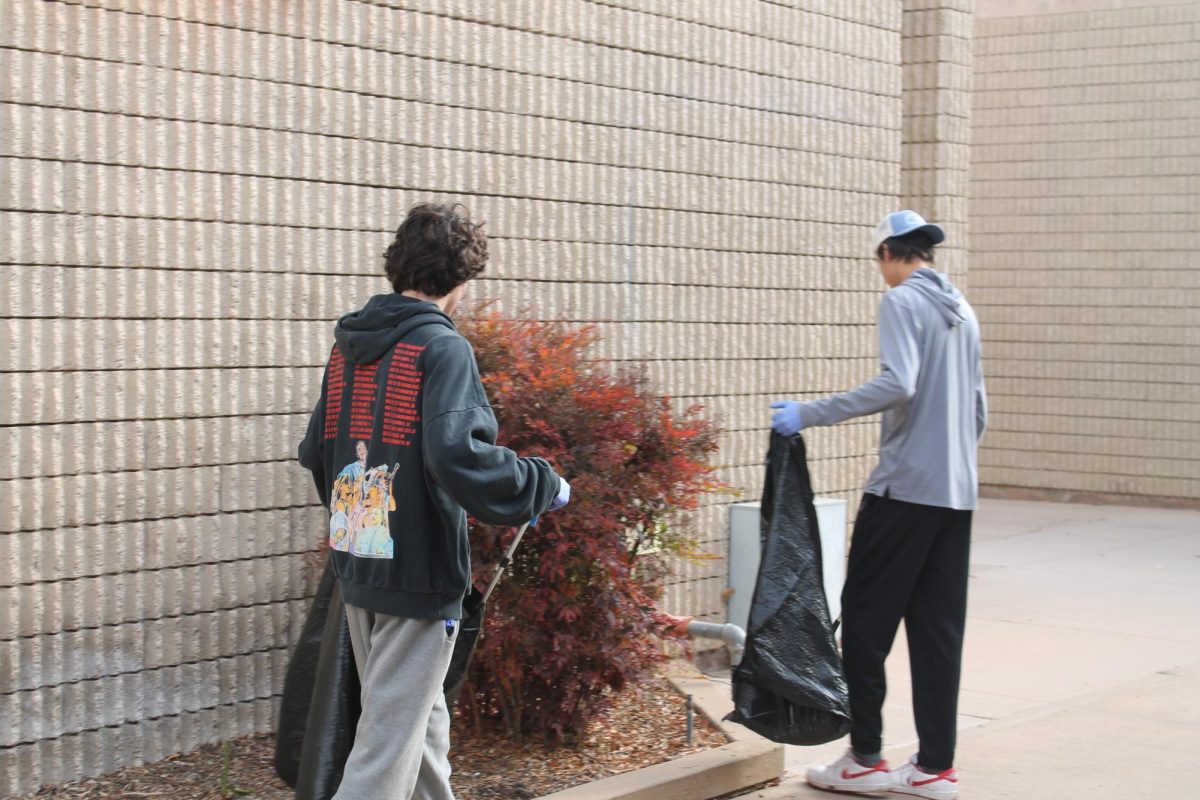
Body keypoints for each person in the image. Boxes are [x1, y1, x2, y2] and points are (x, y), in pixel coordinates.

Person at [299, 202, 571, 800]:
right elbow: (459, 457)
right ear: (463, 282)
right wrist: (541, 485)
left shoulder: (349, 348)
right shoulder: (441, 350)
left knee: (420, 729)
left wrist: (356, 525)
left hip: (359, 559)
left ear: (397, 266)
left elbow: (317, 450)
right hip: (418, 577)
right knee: (387, 745)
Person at [770, 210, 986, 800]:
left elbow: (900, 382)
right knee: (939, 631)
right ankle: (935, 767)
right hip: (956, 495)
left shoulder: (901, 304)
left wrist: (807, 413)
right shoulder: (961, 310)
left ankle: (865, 757)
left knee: (864, 622)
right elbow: (978, 411)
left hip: (903, 493)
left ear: (889, 252)